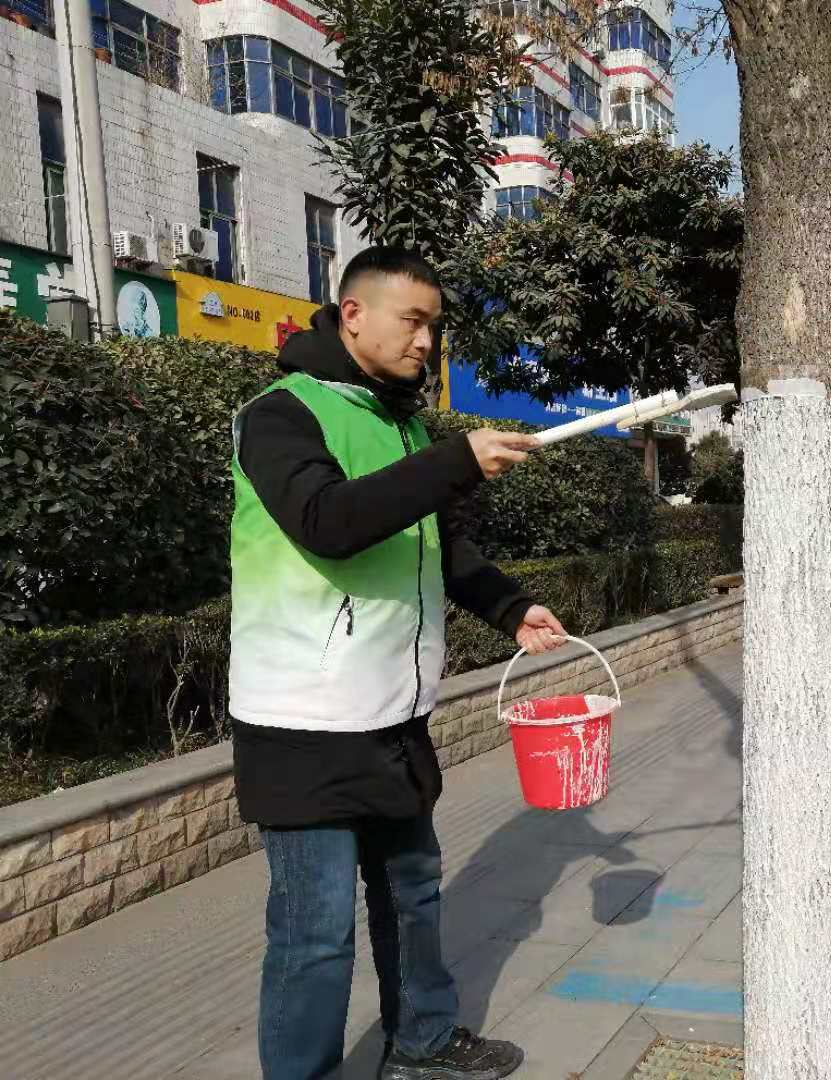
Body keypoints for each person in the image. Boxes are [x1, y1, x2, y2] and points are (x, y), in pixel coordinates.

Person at [229, 247, 566, 1080]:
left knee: (412, 894)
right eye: (411, 321)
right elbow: (327, 522)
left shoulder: (405, 423)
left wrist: (509, 605)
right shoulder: (281, 414)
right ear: (353, 314)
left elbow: (438, 546)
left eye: (433, 326)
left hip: (393, 711)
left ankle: (421, 1042)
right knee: (314, 934)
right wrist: (453, 461)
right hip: (303, 722)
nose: (426, 342)